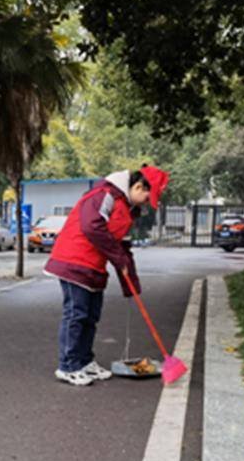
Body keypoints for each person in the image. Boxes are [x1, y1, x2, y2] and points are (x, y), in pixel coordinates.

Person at [43, 165, 169, 386]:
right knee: (76, 314)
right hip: (74, 260)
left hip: (94, 265)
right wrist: (118, 258)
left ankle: (84, 362)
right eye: (147, 197)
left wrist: (130, 281)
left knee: (91, 316)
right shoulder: (105, 195)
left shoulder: (126, 208)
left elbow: (118, 245)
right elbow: (92, 227)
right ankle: (68, 366)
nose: (146, 203)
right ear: (138, 186)